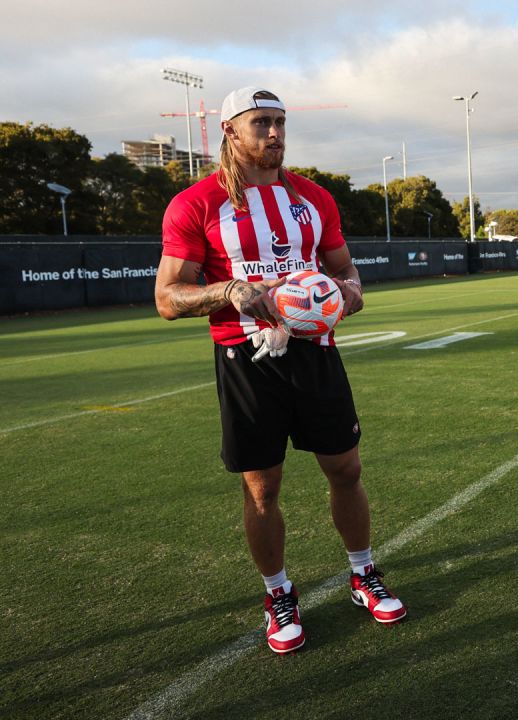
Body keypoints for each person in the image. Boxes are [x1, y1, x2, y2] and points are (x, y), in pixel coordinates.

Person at [154, 86, 405, 655]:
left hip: (316, 352)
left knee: (345, 468)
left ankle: (363, 575)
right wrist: (231, 290)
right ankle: (278, 594)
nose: (275, 134)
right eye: (262, 123)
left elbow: (351, 278)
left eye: (281, 123)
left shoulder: (314, 197)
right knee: (262, 488)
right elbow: (168, 298)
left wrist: (342, 292)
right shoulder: (195, 203)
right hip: (247, 360)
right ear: (230, 132)